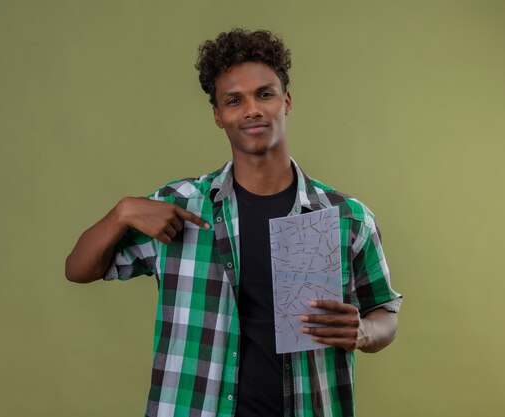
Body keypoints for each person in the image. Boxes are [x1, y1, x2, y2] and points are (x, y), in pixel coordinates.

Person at [66, 28, 402, 417]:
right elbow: (79, 269)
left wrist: (363, 331)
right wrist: (121, 211)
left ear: (286, 101)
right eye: (233, 100)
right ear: (218, 115)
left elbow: (386, 313)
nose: (252, 110)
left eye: (264, 94)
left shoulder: (346, 217)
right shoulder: (178, 208)